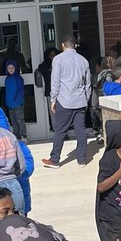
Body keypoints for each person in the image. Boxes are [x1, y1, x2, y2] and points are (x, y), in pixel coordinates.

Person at [44, 36, 91, 168]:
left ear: (63, 45)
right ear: (75, 45)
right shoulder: (83, 60)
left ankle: (54, 160)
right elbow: (87, 83)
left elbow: (55, 81)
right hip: (80, 100)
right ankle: (81, 159)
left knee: (60, 131)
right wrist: (86, 99)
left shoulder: (58, 59)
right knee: (81, 130)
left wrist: (53, 99)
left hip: (65, 100)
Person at [34, 46, 58, 130]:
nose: (53, 57)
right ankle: (56, 130)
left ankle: (64, 131)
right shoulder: (44, 66)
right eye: (51, 55)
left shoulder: (60, 64)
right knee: (53, 113)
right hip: (50, 92)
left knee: (63, 113)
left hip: (62, 92)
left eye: (54, 55)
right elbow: (40, 68)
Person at [3, 59, 27, 139]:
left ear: (16, 68)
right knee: (13, 121)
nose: (11, 69)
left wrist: (17, 101)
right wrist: (7, 101)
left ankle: (23, 136)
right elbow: (7, 91)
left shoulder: (19, 78)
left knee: (20, 120)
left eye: (12, 68)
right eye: (9, 68)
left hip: (18, 104)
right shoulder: (7, 79)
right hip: (10, 105)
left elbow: (21, 91)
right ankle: (16, 136)